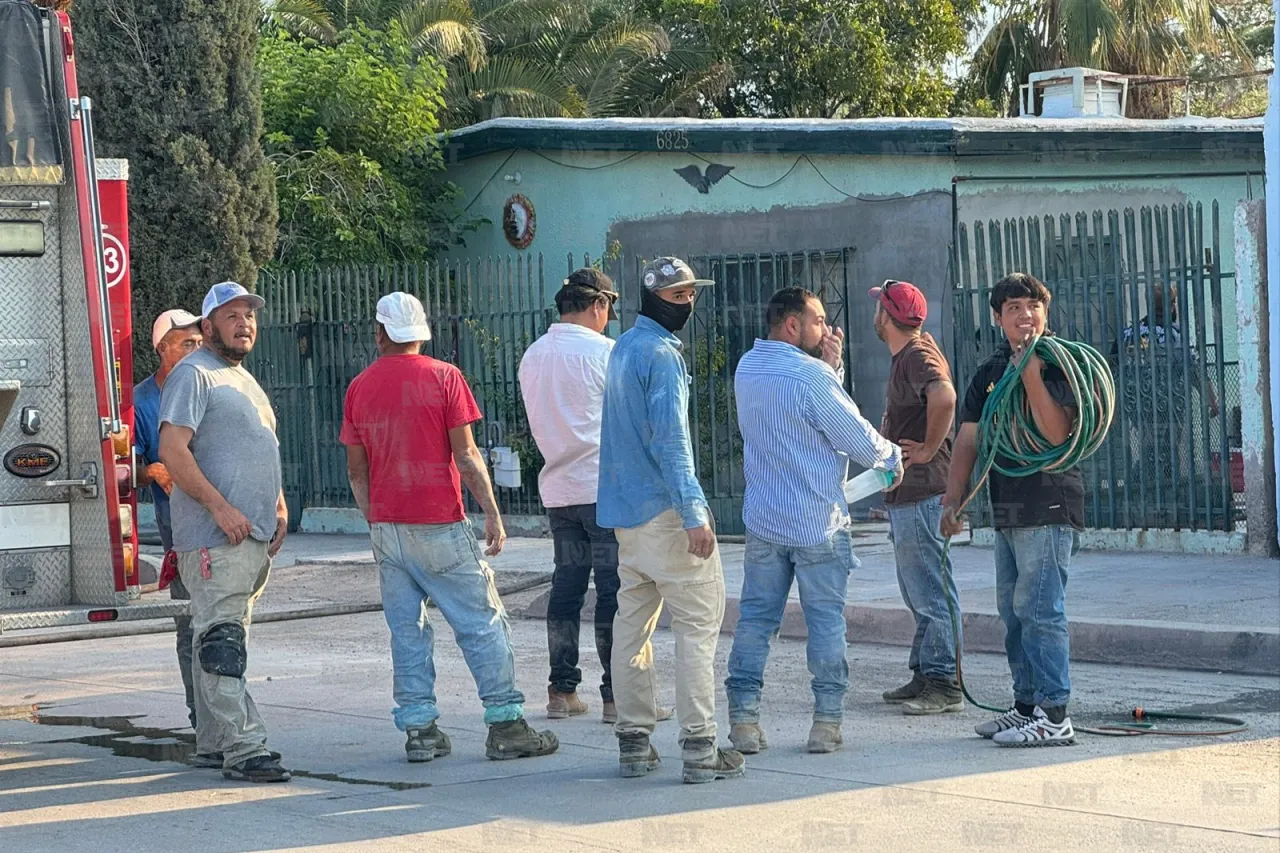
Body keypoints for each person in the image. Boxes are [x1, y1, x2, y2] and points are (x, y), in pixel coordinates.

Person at [342, 291, 558, 765]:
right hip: (438, 522)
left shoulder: (358, 387)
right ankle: (505, 724)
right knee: (482, 624)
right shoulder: (446, 377)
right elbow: (466, 456)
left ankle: (420, 730)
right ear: (421, 333)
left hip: (387, 528)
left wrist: (377, 521)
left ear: (380, 333)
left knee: (408, 632)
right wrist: (492, 512)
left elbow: (357, 472)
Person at [725, 287, 902, 755]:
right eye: (819, 321)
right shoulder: (810, 378)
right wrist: (893, 457)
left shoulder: (749, 366)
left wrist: (832, 367)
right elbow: (860, 441)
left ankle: (743, 719)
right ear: (792, 325)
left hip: (764, 521)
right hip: (816, 525)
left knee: (755, 622)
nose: (828, 329)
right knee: (825, 625)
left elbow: (811, 417)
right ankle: (826, 723)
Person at [597, 257, 743, 784]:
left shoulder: (623, 348)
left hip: (624, 517)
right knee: (697, 629)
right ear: (656, 297)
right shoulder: (661, 355)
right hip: (663, 512)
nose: (688, 303)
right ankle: (701, 747)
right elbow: (672, 441)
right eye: (679, 296)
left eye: (690, 294)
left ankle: (633, 742)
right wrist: (694, 512)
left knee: (631, 628)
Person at [519, 268, 672, 725]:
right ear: (599, 305)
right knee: (614, 592)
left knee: (566, 588)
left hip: (560, 491)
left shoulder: (532, 356)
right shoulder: (609, 353)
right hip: (604, 493)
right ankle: (616, 696)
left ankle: (561, 689)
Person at [942, 272, 1082, 747]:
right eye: (1014, 307)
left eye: (1034, 306)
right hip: (1007, 506)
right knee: (1014, 612)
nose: (1026, 315)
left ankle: (1054, 714)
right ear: (998, 317)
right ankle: (1026, 707)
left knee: (1041, 611)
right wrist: (952, 499)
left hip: (1048, 502)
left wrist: (1030, 375)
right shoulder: (989, 372)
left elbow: (1056, 431)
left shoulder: (1058, 365)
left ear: (1046, 312)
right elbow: (968, 438)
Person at [159, 281, 291, 782]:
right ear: (207, 325)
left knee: (215, 638)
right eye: (232, 316)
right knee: (221, 641)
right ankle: (245, 747)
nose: (244, 324)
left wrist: (276, 506)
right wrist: (220, 509)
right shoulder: (193, 375)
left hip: (251, 539)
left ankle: (213, 745)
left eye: (250, 316)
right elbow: (173, 451)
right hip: (217, 537)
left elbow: (260, 448)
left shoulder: (242, 379)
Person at [870, 281, 964, 716]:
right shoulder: (909, 355)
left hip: (924, 492)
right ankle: (926, 672)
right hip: (911, 494)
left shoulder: (917, 355)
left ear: (887, 317)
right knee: (917, 590)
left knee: (930, 589)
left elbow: (944, 395)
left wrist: (926, 449)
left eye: (879, 308)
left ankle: (944, 682)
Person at [134, 309, 203, 734]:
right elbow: (128, 463)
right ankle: (200, 714)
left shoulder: (207, 382)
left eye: (198, 342)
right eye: (186, 344)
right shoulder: (142, 400)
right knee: (189, 620)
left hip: (218, 519)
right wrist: (155, 471)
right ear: (162, 349)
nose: (195, 350)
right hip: (177, 525)